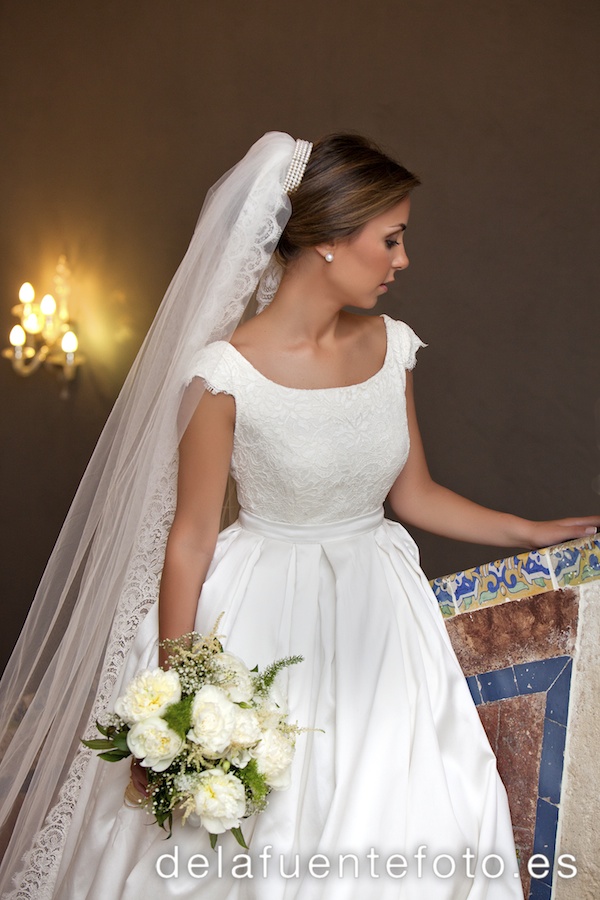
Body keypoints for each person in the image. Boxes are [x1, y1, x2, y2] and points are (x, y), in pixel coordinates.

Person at [0, 132, 597, 900]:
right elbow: (188, 540)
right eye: (391, 238)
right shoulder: (223, 377)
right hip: (262, 615)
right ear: (324, 243)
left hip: (382, 616)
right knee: (251, 839)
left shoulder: (392, 346)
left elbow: (413, 495)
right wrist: (181, 697)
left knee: (412, 811)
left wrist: (533, 533)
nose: (402, 259)